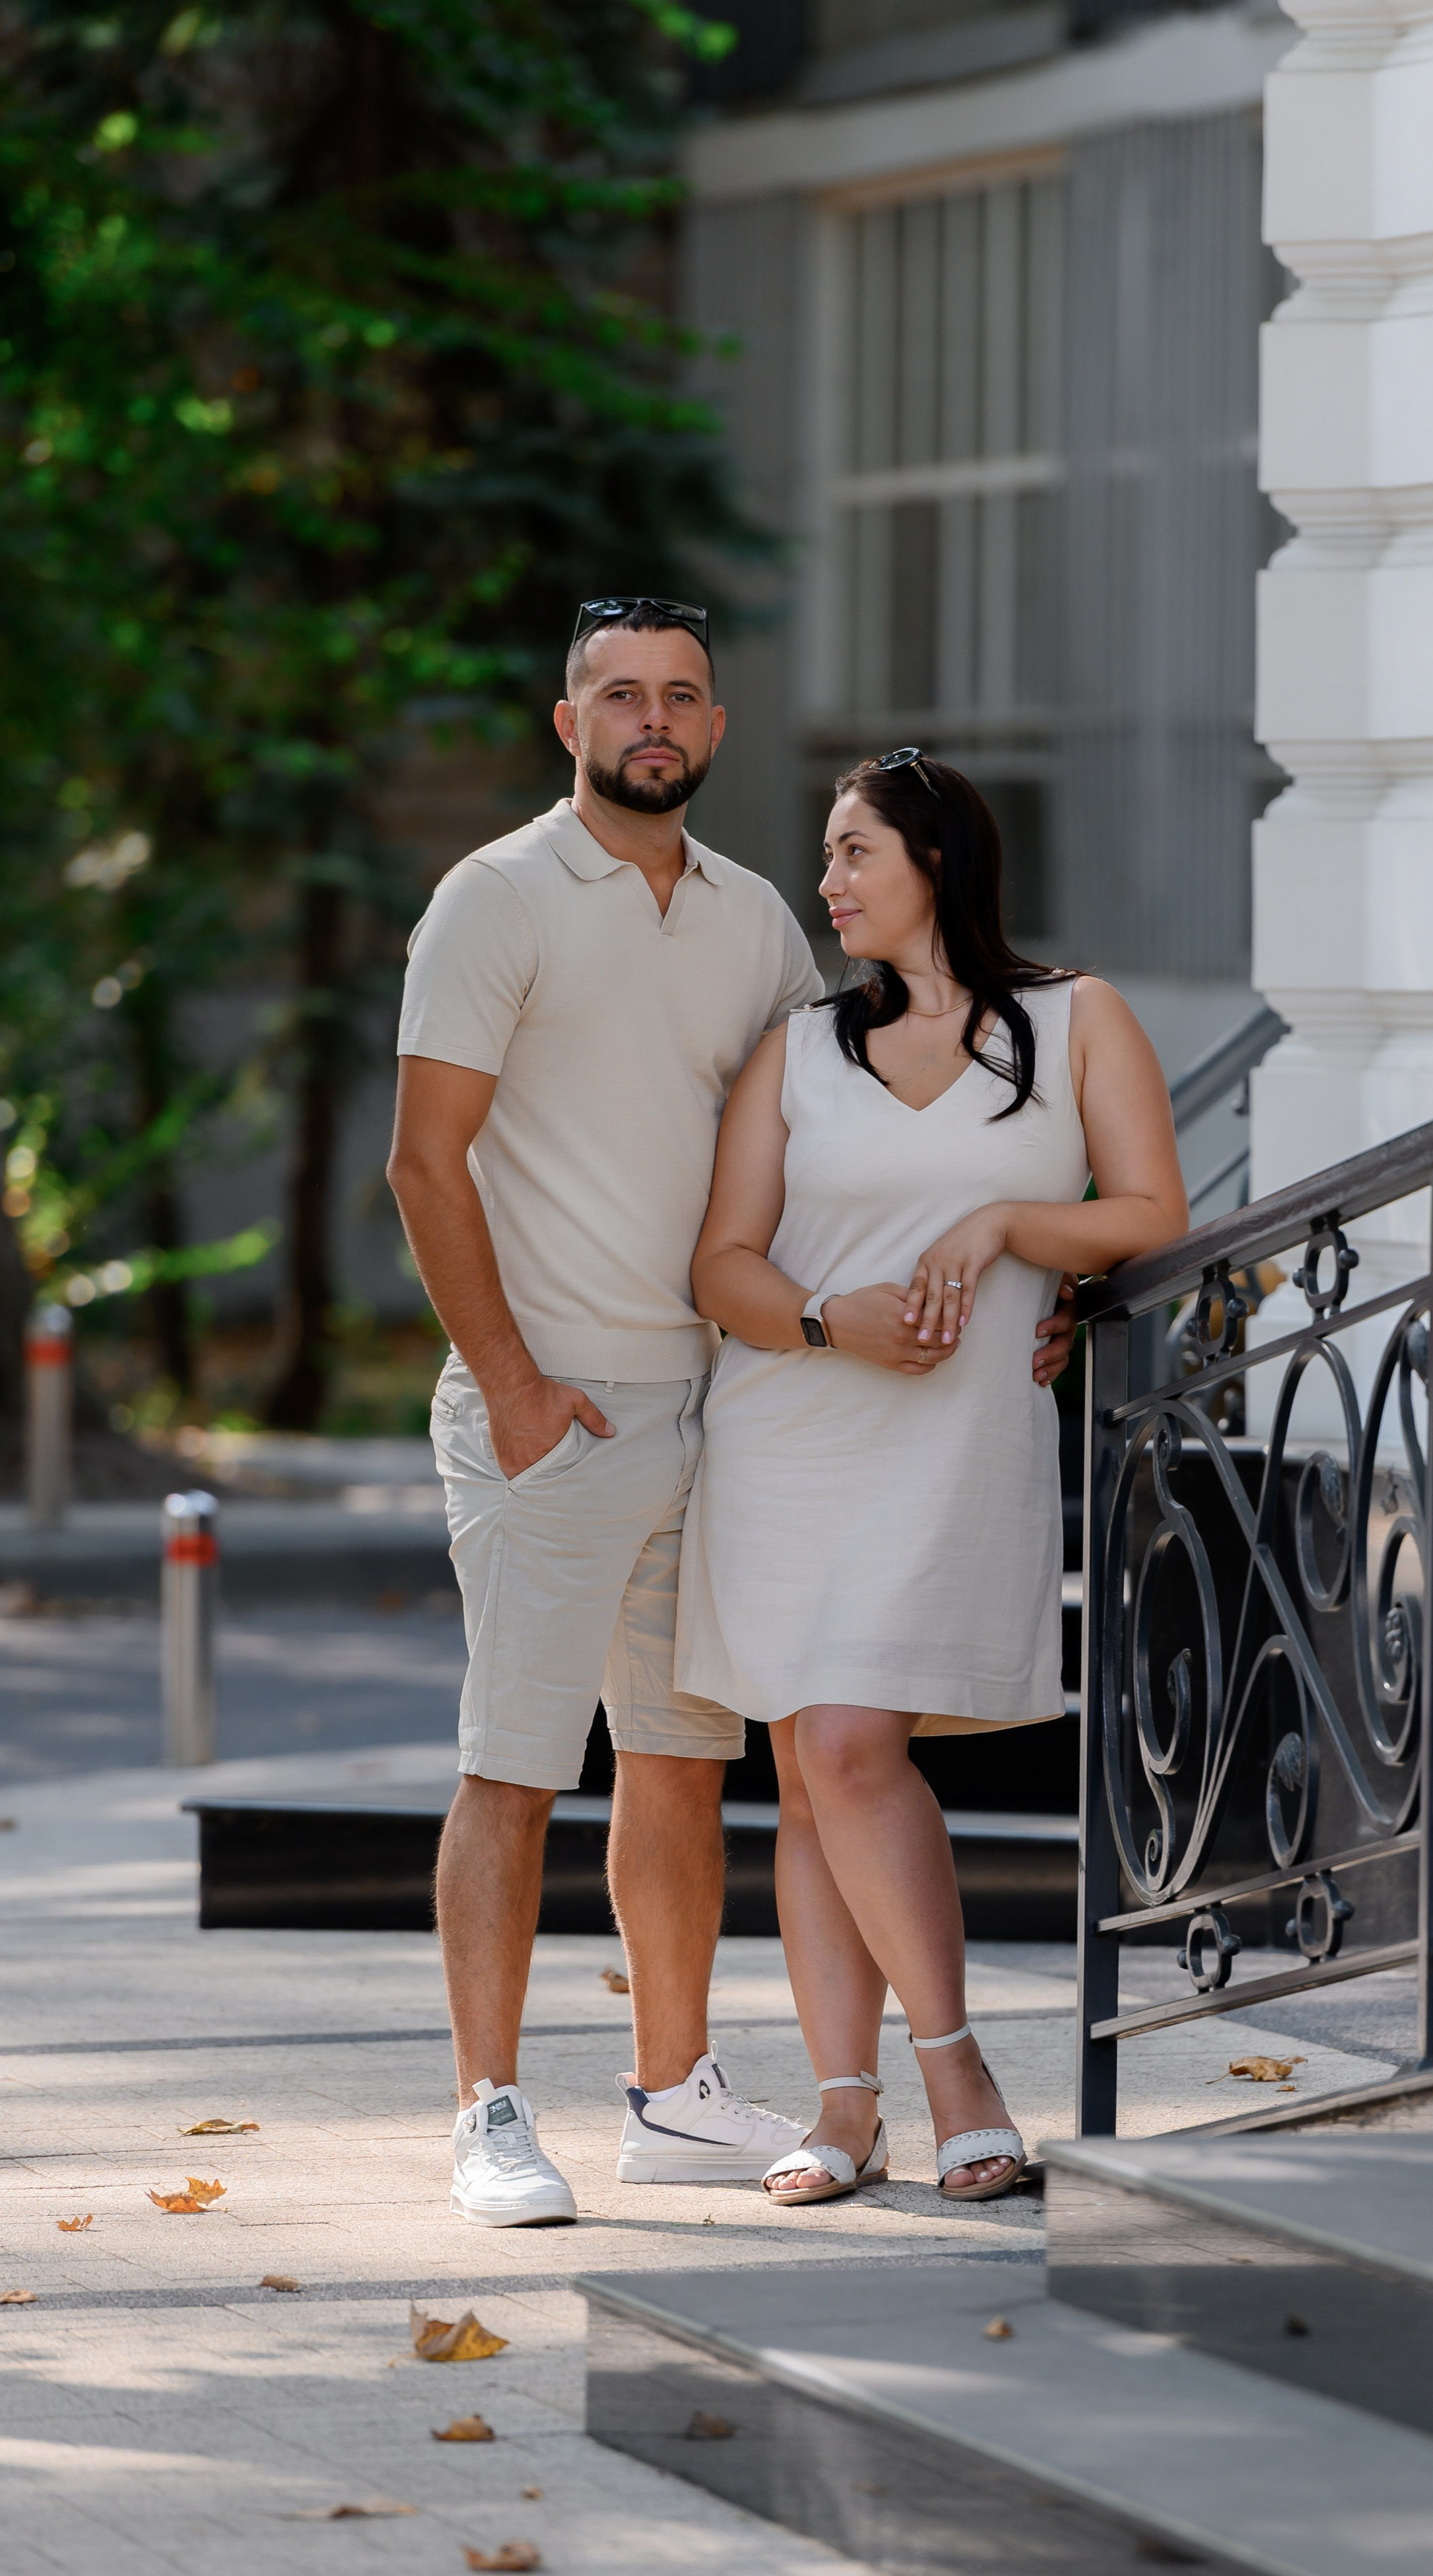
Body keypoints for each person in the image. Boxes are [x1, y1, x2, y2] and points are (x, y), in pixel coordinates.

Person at [386, 613, 1077, 2224]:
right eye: (621, 693)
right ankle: (489, 2109)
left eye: (681, 695)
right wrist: (510, 1384)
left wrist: (1031, 1290)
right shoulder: (493, 896)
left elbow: (834, 1136)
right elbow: (424, 1159)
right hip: (556, 1402)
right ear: (568, 719)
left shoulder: (756, 916)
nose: (654, 717)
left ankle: (671, 2093)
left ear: (712, 725)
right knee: (512, 1767)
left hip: (726, 1408)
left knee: (681, 1762)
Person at [677, 750, 1188, 2204]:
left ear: (938, 860)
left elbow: (1151, 1210)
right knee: (810, 1766)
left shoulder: (1076, 1018)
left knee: (847, 1747)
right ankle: (846, 2109)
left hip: (953, 1447)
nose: (828, 881)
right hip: (790, 1432)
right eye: (826, 854)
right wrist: (827, 1319)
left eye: (855, 852)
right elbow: (722, 1264)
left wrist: (1010, 1228)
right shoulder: (797, 1048)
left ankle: (952, 2068)